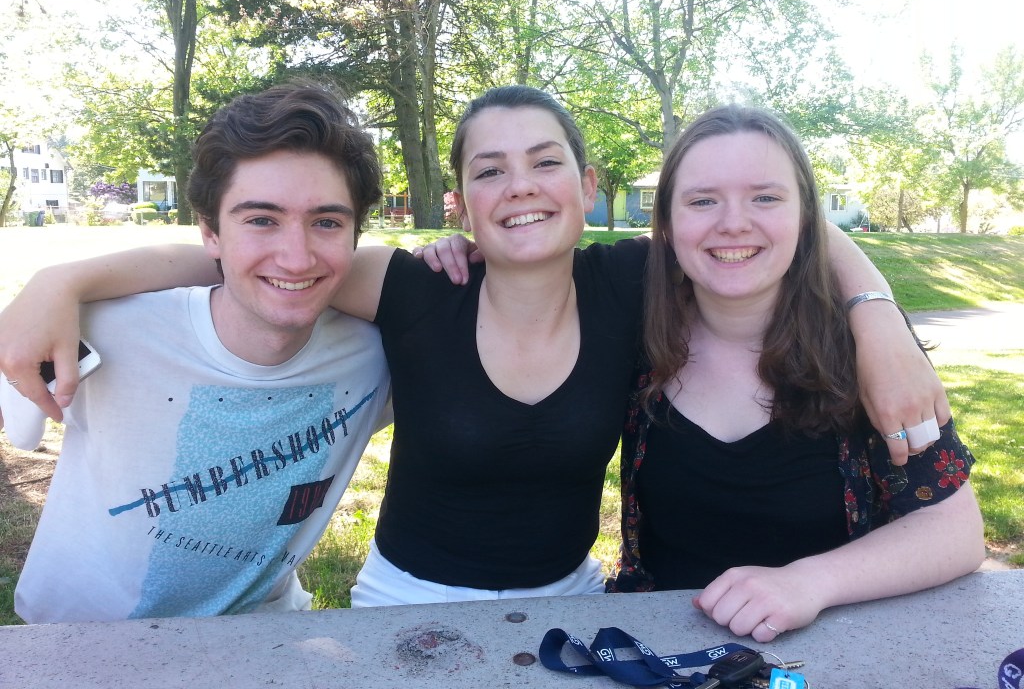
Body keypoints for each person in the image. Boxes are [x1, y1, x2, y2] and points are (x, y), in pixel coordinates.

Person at [0, 86, 949, 607]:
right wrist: (63, 281)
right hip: (402, 605)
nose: (520, 185)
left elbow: (767, 223)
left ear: (586, 186)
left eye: (545, 162)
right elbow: (254, 255)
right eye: (491, 170)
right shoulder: (413, 290)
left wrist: (875, 313)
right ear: (462, 202)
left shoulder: (632, 281)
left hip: (572, 601)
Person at [0, 82, 392, 622]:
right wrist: (58, 282)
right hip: (78, 640)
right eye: (261, 220)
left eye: (326, 222)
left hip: (264, 636)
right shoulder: (97, 330)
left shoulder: (379, 355)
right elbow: (19, 421)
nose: (296, 257)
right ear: (210, 233)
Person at [607, 105, 984, 641]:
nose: (733, 222)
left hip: (831, 654)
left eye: (765, 197)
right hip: (652, 650)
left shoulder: (865, 354)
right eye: (702, 200)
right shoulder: (632, 326)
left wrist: (810, 582)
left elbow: (956, 530)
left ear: (806, 217)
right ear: (666, 222)